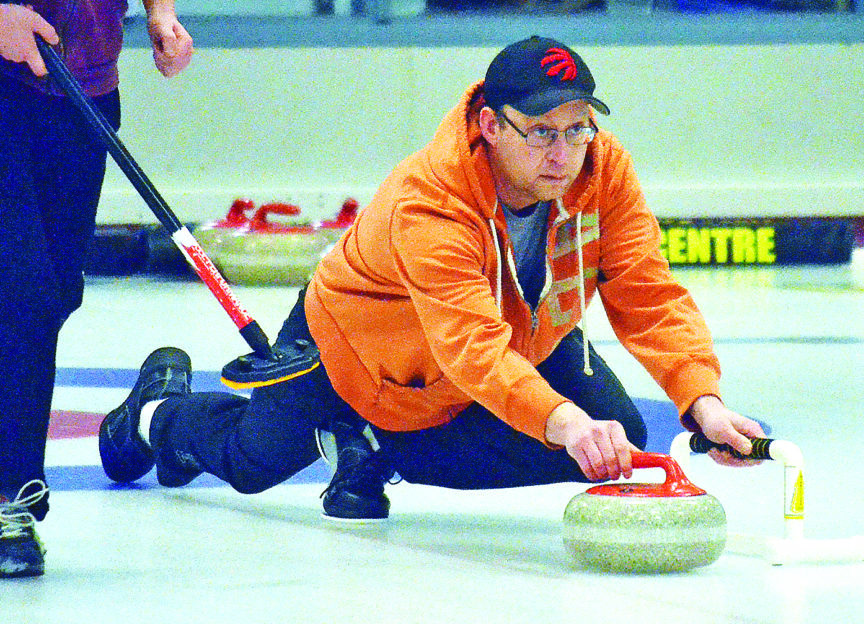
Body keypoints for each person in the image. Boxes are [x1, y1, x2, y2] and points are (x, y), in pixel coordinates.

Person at [96, 35, 765, 525]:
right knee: (251, 463)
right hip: (360, 346)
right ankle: (157, 412)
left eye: (578, 128)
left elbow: (646, 290)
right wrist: (561, 418)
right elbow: (470, 347)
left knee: (615, 435)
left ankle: (374, 446)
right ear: (489, 126)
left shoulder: (601, 167)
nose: (563, 153)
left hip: (517, 334)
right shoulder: (431, 200)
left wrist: (701, 402)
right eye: (540, 132)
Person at [0, 0, 193, 578]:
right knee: (23, 289)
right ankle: (10, 497)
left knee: (55, 293)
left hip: (82, 89)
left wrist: (162, 13)